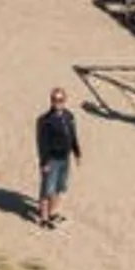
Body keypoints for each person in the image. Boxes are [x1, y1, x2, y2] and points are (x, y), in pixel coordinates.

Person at [34, 87, 82, 230]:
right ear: (51, 101)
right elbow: (42, 143)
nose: (57, 102)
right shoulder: (45, 120)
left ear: (65, 100)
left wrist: (77, 152)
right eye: (54, 100)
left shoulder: (69, 116)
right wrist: (44, 162)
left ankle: (52, 213)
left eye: (60, 100)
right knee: (47, 190)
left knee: (59, 187)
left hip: (65, 159)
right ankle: (43, 218)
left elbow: (72, 135)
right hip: (51, 160)